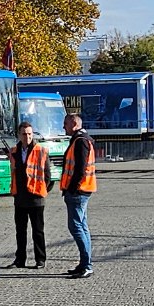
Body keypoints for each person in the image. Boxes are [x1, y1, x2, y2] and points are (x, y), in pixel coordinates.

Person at [59, 111, 97, 277]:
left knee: (76, 227)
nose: (63, 127)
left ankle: (86, 264)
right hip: (83, 190)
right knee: (82, 226)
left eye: (66, 124)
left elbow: (79, 169)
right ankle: (85, 263)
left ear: (74, 124)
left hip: (79, 191)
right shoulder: (82, 139)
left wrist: (72, 188)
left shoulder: (80, 142)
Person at [9, 120, 51, 268]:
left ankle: (40, 259)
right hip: (20, 197)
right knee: (20, 231)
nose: (27, 136)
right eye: (24, 134)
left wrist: (41, 190)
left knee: (38, 231)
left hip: (36, 198)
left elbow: (47, 176)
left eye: (29, 134)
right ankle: (20, 259)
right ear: (19, 135)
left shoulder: (41, 150)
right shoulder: (14, 151)